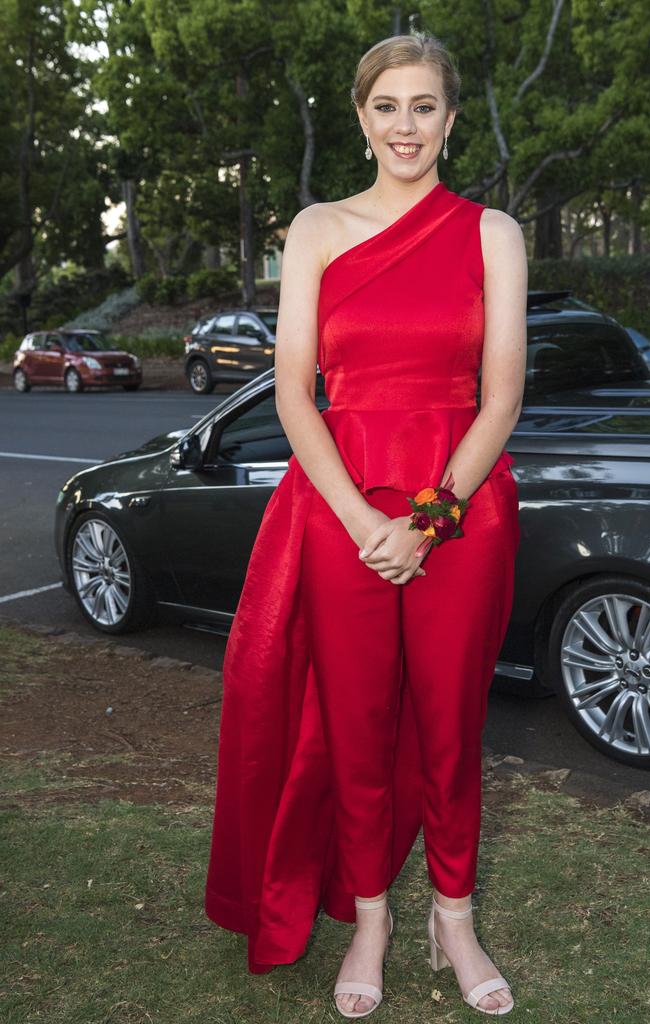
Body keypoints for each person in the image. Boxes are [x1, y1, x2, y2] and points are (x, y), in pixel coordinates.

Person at [204, 31, 527, 1020]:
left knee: (449, 725)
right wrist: (359, 519)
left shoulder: (492, 233)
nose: (406, 126)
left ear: (451, 118)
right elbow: (295, 395)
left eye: (425, 106)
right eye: (388, 106)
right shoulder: (314, 228)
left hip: (459, 513)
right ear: (360, 116)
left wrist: (425, 523)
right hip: (338, 508)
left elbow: (503, 396)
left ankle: (455, 918)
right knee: (353, 724)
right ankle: (373, 919)